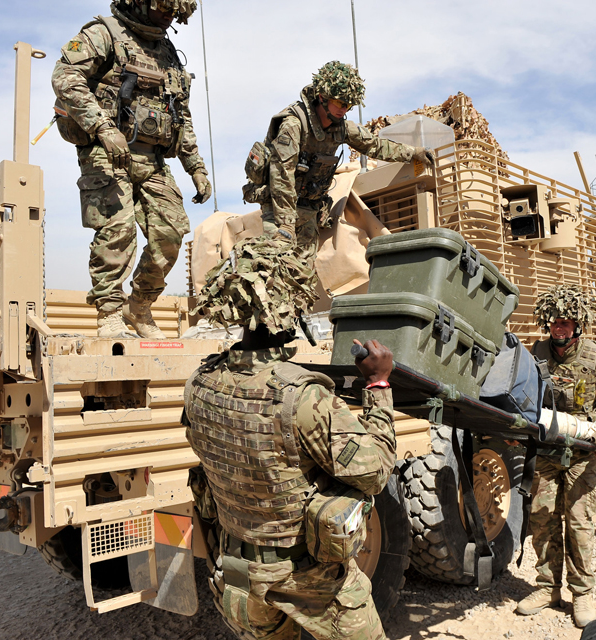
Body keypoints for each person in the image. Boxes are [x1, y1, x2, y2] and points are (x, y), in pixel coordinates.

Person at [184, 239, 397, 639]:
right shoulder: (302, 396)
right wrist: (378, 383)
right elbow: (376, 472)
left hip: (238, 573)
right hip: (307, 577)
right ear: (290, 307)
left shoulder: (199, 384)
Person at [51, 0, 212, 338]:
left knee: (171, 232)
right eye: (164, 10)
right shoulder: (103, 33)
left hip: (151, 160)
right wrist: (103, 128)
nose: (169, 18)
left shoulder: (166, 51)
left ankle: (138, 306)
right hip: (106, 152)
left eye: (175, 14)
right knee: (117, 231)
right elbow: (65, 76)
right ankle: (109, 311)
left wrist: (195, 166)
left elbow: (180, 114)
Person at [242, 61, 435, 300]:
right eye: (340, 103)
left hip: (309, 208)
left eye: (349, 105)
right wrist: (285, 226)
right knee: (275, 270)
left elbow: (374, 145)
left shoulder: (340, 128)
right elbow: (281, 177)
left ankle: (289, 324)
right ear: (323, 96)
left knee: (301, 276)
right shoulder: (294, 125)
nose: (344, 109)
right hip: (280, 207)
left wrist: (413, 153)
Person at [516, 284, 596, 628]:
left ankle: (582, 594)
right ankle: (548, 588)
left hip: (582, 454)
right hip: (547, 450)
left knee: (579, 524)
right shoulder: (538, 353)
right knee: (543, 520)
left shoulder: (594, 356)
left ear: (578, 325)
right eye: (555, 322)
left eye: (566, 322)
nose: (559, 328)